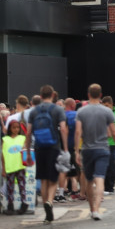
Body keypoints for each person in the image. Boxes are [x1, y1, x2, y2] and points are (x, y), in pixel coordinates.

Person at [75, 84, 115, 221]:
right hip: (102, 149)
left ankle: (92, 209)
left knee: (89, 180)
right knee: (100, 178)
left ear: (88, 95)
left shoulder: (82, 112)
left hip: (87, 149)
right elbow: (113, 131)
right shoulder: (107, 111)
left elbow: (78, 132)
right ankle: (97, 207)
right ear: (101, 95)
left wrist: (76, 151)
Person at [24, 84, 69, 224]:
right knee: (53, 178)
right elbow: (63, 129)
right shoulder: (57, 109)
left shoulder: (34, 111)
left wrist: (28, 152)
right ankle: (50, 201)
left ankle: (46, 210)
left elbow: (29, 132)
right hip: (54, 147)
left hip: (39, 147)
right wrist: (65, 148)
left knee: (43, 179)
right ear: (53, 95)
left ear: (41, 96)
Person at [2, 120, 29, 215]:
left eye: (18, 127)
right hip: (10, 167)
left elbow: (26, 150)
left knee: (22, 186)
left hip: (20, 166)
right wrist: (4, 169)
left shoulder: (22, 138)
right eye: (14, 127)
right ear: (10, 128)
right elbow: (3, 155)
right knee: (10, 187)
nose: (16, 129)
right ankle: (10, 205)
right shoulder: (5, 140)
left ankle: (24, 203)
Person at [102, 95, 115, 195]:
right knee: (104, 165)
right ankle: (105, 186)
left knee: (111, 165)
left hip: (113, 142)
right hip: (103, 142)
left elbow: (113, 125)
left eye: (107, 106)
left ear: (111, 104)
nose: (106, 108)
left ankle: (110, 187)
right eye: (104, 106)